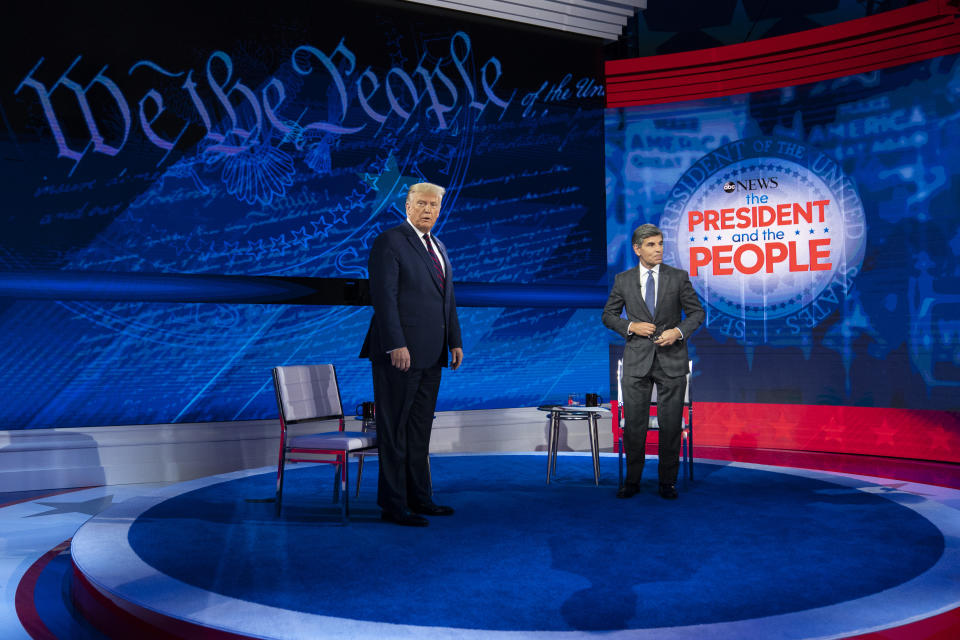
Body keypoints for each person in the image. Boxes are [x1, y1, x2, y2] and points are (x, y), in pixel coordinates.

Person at [360, 182, 464, 526]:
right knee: (395, 430)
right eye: (421, 203)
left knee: (419, 430)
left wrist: (455, 341)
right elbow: (384, 298)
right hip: (399, 354)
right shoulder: (390, 241)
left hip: (432, 354)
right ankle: (393, 505)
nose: (428, 210)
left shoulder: (439, 246)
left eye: (434, 205)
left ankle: (420, 498)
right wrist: (395, 344)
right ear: (407, 205)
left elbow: (446, 299)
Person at [602, 223, 704, 500]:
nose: (658, 249)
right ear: (637, 249)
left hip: (671, 360)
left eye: (660, 244)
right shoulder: (623, 280)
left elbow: (696, 313)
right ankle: (632, 481)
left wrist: (678, 332)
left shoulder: (678, 277)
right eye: (651, 245)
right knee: (634, 424)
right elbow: (608, 316)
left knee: (671, 425)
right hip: (637, 362)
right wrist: (631, 326)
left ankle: (667, 482)